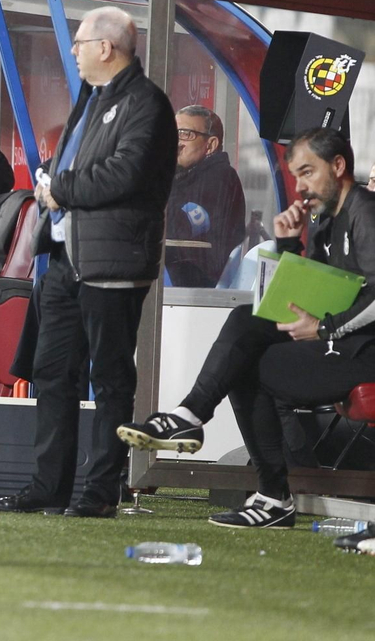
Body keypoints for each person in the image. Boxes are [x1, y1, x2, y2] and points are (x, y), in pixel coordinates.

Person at [119, 128, 375, 529]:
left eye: (308, 172)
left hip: (361, 352)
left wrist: (326, 330)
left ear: (339, 165)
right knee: (243, 323)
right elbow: (311, 291)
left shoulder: (365, 209)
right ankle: (196, 418)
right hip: (338, 342)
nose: (301, 185)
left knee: (249, 364)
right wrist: (288, 245)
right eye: (296, 175)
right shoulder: (325, 217)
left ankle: (270, 493)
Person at [0, 5, 176, 518]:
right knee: (51, 371)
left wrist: (59, 189)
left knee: (111, 376)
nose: (73, 51)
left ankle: (100, 491)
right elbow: (75, 164)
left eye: (79, 42)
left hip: (113, 262)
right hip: (67, 256)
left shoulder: (146, 104)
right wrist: (53, 176)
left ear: (106, 48)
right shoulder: (92, 98)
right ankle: (48, 485)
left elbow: (124, 175)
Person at [164, 105, 247, 289]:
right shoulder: (183, 176)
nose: (176, 142)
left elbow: (183, 227)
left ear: (210, 145)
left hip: (194, 283)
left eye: (186, 134)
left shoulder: (220, 178)